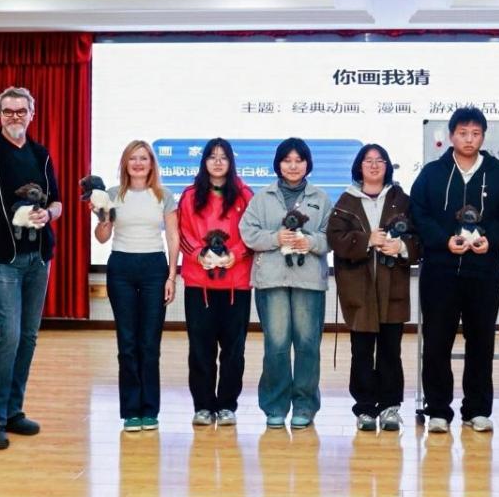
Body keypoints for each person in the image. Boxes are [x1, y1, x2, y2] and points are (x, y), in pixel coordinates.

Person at [0, 86, 62, 451]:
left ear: (32, 114)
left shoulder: (40, 153)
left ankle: (14, 411)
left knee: (29, 337)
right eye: (8, 111)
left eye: (21, 111)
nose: (15, 117)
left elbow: (57, 203)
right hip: (3, 260)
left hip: (39, 259)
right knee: (10, 336)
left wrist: (49, 214)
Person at [410, 107, 499, 434]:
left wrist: (490, 239)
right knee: (437, 342)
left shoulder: (496, 172)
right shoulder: (432, 173)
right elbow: (418, 213)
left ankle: (477, 410)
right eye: (462, 133)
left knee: (481, 342)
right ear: (451, 136)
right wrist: (444, 240)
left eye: (475, 133)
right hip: (440, 271)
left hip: (483, 272)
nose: (469, 139)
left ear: (483, 136)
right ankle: (438, 410)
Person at [239, 138, 332, 429]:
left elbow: (332, 237)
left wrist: (311, 242)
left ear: (307, 164)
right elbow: (247, 232)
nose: (293, 166)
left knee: (307, 345)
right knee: (276, 345)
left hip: (309, 281)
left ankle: (304, 405)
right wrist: (274, 238)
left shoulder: (321, 197)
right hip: (272, 279)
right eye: (287, 160)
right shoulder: (262, 197)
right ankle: (275, 406)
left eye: (299, 160)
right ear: (278, 164)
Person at [327, 144, 421, 432]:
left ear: (387, 166)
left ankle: (391, 407)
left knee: (391, 350)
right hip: (359, 290)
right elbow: (335, 239)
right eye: (368, 160)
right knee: (362, 351)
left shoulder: (401, 200)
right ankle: (365, 408)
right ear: (359, 166)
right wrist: (367, 240)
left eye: (380, 160)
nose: (374, 165)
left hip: (393, 288)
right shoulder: (346, 201)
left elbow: (419, 237)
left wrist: (401, 246)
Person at [93, 140, 180, 432]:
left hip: (155, 268)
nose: (139, 163)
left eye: (144, 158)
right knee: (127, 343)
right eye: (133, 158)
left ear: (152, 163)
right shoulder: (111, 194)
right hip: (121, 267)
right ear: (125, 163)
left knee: (149, 343)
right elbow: (102, 237)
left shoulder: (164, 196)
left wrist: (171, 276)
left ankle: (149, 410)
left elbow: (173, 237)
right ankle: (131, 411)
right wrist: (103, 217)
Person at [177, 137, 254, 427]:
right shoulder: (189, 195)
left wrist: (236, 254)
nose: (218, 162)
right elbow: (182, 233)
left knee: (234, 350)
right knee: (200, 349)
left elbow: (253, 233)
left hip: (236, 285)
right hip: (200, 286)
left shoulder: (245, 195)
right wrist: (199, 255)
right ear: (204, 161)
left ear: (231, 161)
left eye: (223, 157)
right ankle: (203, 406)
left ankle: (227, 406)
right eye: (212, 156)